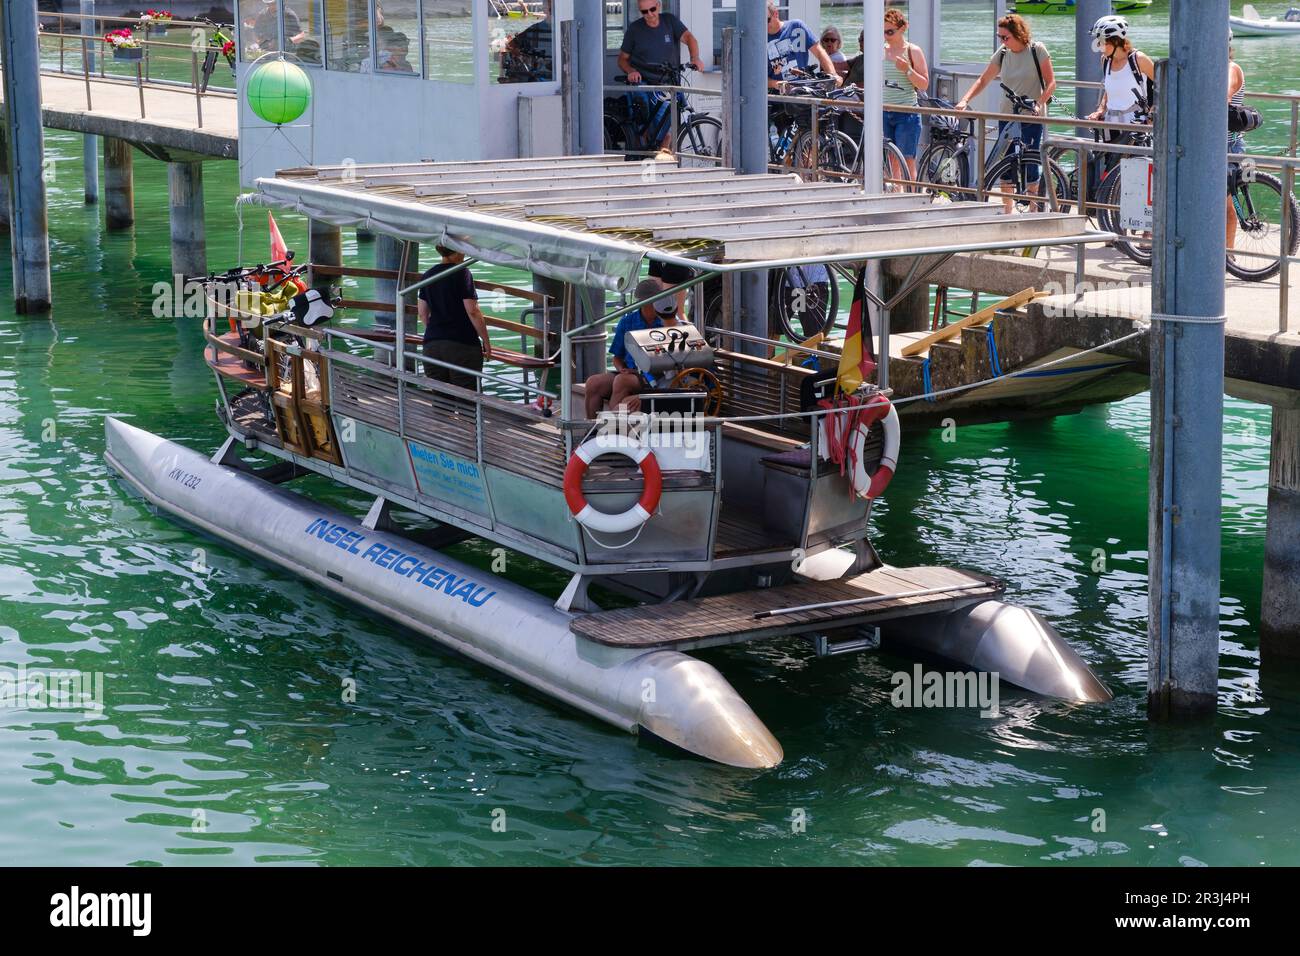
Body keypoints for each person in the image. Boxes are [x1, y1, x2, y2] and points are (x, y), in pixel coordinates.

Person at [955, 13, 1056, 212]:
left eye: (1005, 37)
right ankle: (1007, 213)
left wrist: (1038, 103)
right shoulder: (1002, 53)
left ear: (1018, 34)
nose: (1002, 41)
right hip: (1007, 114)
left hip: (1031, 115)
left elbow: (1051, 83)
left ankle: (1034, 212)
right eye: (999, 37)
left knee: (1031, 163)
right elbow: (983, 80)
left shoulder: (1037, 50)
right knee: (1006, 163)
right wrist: (965, 99)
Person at [583, 279, 679, 419]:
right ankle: (591, 430)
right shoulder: (627, 321)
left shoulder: (666, 322)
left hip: (656, 375)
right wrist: (622, 368)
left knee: (622, 381)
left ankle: (612, 431)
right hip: (630, 371)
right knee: (593, 383)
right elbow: (617, 357)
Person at [619, 2, 706, 152]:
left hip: (666, 80)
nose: (649, 14)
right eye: (644, 12)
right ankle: (645, 145)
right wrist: (631, 71)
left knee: (665, 125)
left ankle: (661, 151)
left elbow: (689, 38)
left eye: (652, 9)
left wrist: (695, 58)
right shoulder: (635, 29)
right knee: (645, 115)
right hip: (643, 81)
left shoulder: (669, 21)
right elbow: (622, 59)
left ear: (658, 6)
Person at [418, 246, 492, 392]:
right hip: (462, 345)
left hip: (432, 344)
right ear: (457, 251)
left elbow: (422, 313)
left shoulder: (428, 275)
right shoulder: (462, 272)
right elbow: (472, 310)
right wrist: (486, 341)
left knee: (441, 399)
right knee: (469, 399)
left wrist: (437, 333)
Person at [881, 7, 930, 182]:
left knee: (908, 158)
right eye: (883, 31)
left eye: (890, 31)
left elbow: (924, 84)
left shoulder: (913, 51)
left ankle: (912, 195)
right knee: (891, 158)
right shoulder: (879, 51)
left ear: (903, 28)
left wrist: (907, 70)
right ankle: (896, 193)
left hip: (907, 113)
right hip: (884, 111)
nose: (886, 35)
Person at [1086, 16, 1155, 128]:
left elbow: (1164, 87)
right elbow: (1110, 89)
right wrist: (1101, 110)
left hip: (1137, 125)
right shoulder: (1105, 60)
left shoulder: (1139, 59)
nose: (1099, 46)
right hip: (1110, 125)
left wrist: (1152, 115)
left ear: (1116, 41)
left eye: (1102, 41)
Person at [766, 1, 841, 90]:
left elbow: (819, 52)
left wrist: (833, 75)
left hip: (803, 90)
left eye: (767, 20)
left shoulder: (797, 26)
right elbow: (757, 77)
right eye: (759, 22)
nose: (763, 25)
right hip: (775, 96)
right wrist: (776, 84)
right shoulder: (758, 41)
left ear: (776, 14)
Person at [1227, 28, 1246, 260]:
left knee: (1226, 204)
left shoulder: (1231, 68)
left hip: (1228, 145)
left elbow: (1224, 95)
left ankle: (1228, 255)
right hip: (1213, 145)